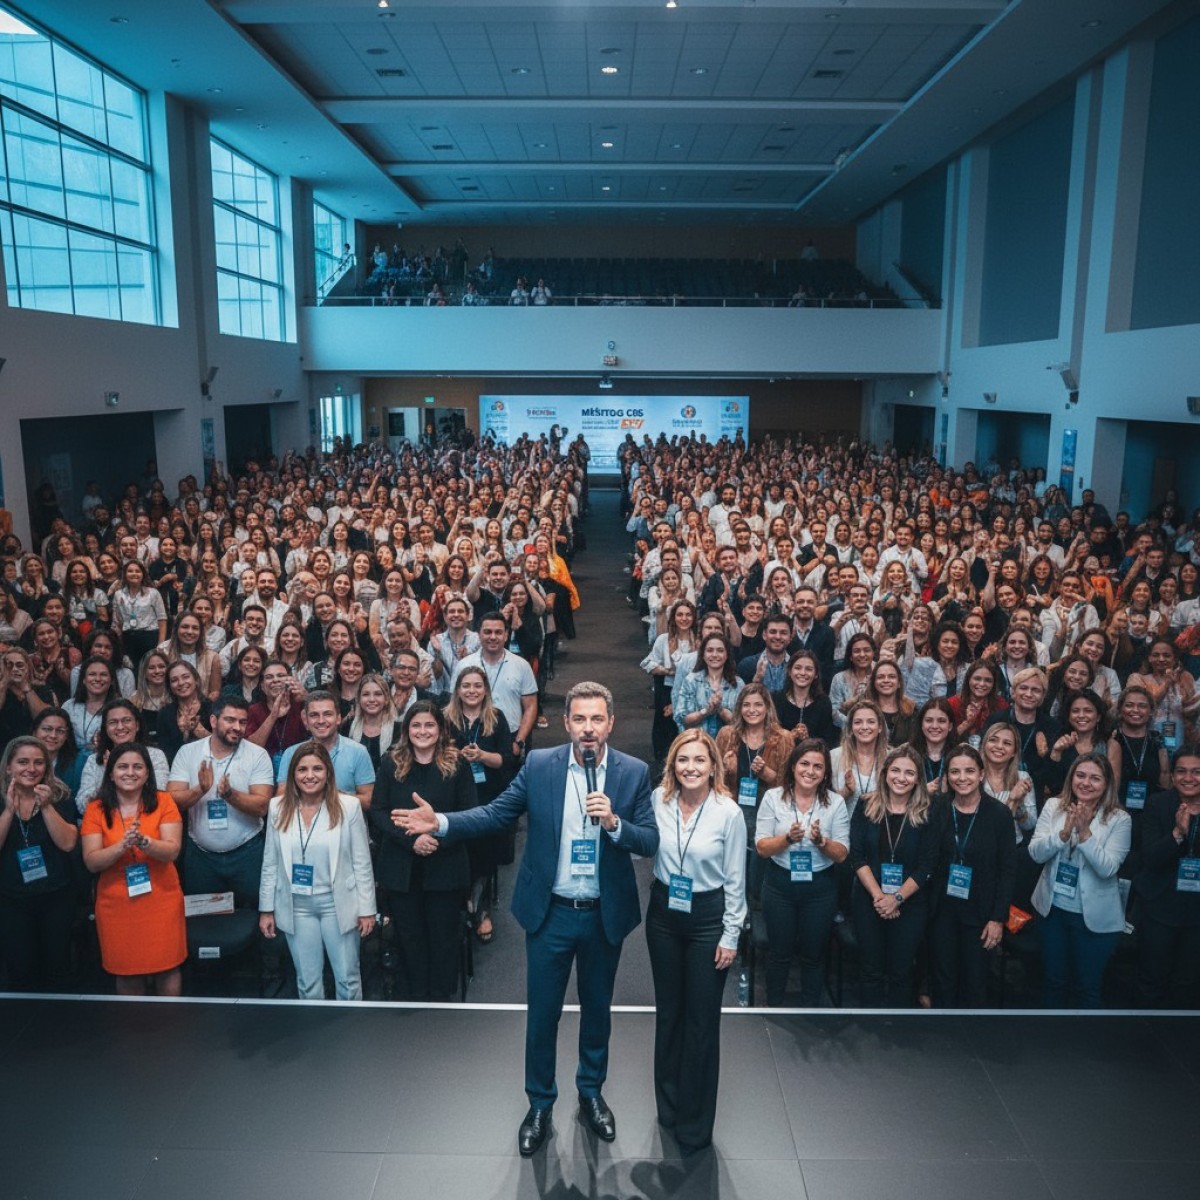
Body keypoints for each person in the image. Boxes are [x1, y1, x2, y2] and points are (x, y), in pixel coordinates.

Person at [393, 681, 658, 1157]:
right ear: (567, 724)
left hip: (603, 916)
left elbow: (649, 841)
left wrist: (615, 824)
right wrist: (445, 823)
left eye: (597, 719)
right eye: (580, 719)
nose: (589, 729)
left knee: (597, 1013)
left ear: (611, 724)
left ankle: (591, 1093)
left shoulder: (633, 772)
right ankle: (540, 1103)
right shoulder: (539, 766)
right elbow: (497, 814)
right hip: (551, 913)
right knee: (543, 1015)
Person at [646, 730, 746, 1153]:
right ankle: (668, 1108)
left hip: (708, 919)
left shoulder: (729, 813)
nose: (690, 767)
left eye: (699, 761)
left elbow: (737, 880)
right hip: (664, 914)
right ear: (673, 763)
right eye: (683, 760)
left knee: (702, 1022)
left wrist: (730, 933)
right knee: (669, 1015)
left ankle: (695, 1122)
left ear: (713, 767)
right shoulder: (657, 801)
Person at [369, 701, 478, 1000]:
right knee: (409, 938)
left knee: (442, 938)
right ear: (406, 730)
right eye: (416, 725)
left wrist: (436, 838)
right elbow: (378, 812)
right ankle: (414, 998)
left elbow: (470, 815)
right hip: (402, 868)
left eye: (429, 725)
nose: (423, 731)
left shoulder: (457, 765)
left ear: (441, 729)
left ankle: (441, 1001)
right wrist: (411, 839)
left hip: (445, 868)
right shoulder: (391, 763)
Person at [259, 741, 376, 1000]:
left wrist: (367, 909)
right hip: (296, 906)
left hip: (337, 905)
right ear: (293, 774)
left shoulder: (349, 806)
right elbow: (271, 861)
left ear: (328, 773)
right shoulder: (277, 807)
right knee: (307, 983)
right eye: (302, 770)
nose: (309, 776)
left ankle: (350, 1035)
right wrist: (266, 908)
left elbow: (362, 862)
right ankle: (316, 1036)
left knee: (347, 978)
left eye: (317, 769)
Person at [80, 743, 185, 995]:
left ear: (148, 773)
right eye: (122, 767)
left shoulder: (164, 801)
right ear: (111, 773)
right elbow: (91, 861)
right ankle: (131, 1031)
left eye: (138, 767)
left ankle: (172, 1030)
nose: (130, 772)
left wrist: (144, 842)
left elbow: (172, 850)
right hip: (116, 904)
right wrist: (121, 847)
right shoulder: (95, 808)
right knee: (126, 970)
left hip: (161, 899)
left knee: (167, 966)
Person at [1028, 753, 1131, 1007]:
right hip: (1052, 912)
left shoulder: (1120, 819)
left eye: (1095, 778)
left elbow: (1107, 868)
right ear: (1071, 777)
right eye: (1080, 775)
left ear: (1106, 784)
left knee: (1088, 987)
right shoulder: (1054, 806)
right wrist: (1063, 834)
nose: (1086, 783)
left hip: (1095, 920)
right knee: (1054, 981)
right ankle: (1052, 1043)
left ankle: (1088, 1044)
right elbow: (1036, 853)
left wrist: (1084, 833)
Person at [754, 738, 850, 1006]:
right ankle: (773, 1010)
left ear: (825, 773)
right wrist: (786, 839)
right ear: (793, 766)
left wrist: (822, 842)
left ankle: (811, 1011)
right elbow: (762, 847)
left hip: (820, 888)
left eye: (818, 766)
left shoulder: (835, 803)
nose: (810, 771)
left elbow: (842, 854)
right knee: (779, 952)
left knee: (814, 953)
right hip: (779, 884)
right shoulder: (774, 798)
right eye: (804, 764)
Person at [849, 745, 938, 1006]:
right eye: (896, 770)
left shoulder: (929, 811)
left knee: (901, 970)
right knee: (870, 968)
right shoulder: (867, 804)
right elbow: (857, 856)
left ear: (918, 779)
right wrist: (881, 897)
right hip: (869, 899)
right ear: (885, 772)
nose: (901, 777)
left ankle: (898, 1031)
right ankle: (869, 1031)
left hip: (911, 902)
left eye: (909, 773)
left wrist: (896, 898)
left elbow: (927, 865)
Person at [929, 745, 1016, 1008]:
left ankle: (971, 1039)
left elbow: (1007, 871)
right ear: (947, 777)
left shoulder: (999, 814)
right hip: (942, 910)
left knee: (975, 980)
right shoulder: (938, 808)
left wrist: (997, 918)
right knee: (943, 978)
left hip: (981, 912)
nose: (961, 778)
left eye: (969, 771)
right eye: (954, 772)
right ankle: (943, 1038)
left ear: (981, 774)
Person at [166, 696, 275, 907]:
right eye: (230, 720)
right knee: (205, 923)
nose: (237, 727)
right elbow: (171, 801)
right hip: (201, 857)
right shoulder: (188, 752)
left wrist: (229, 795)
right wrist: (201, 790)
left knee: (252, 917)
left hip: (247, 854)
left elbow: (262, 806)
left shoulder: (257, 755)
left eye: (242, 722)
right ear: (214, 721)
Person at [443, 665, 517, 944]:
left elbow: (506, 762)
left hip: (488, 795)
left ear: (485, 690)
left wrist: (482, 755)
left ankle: (481, 908)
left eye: (477, 686)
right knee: (459, 851)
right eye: (466, 686)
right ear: (457, 690)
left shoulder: (496, 718)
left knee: (485, 851)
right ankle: (463, 902)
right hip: (455, 795)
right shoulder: (446, 718)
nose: (471, 691)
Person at [0, 736, 79, 991]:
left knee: (58, 967)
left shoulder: (60, 795)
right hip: (12, 899)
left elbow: (67, 843)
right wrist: (9, 811)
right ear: (8, 767)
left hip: (56, 896)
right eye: (22, 762)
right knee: (20, 969)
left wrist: (45, 807)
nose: (31, 769)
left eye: (38, 762)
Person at [1134, 748, 1200, 1007]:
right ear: (1172, 777)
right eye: (1181, 771)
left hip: (1196, 913)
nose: (1189, 778)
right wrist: (1177, 834)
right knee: (1151, 979)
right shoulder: (1157, 804)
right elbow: (1149, 858)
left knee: (1187, 981)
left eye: (1196, 772)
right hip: (1159, 908)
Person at [276, 691, 375, 808]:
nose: (321, 721)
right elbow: (281, 798)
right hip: (303, 823)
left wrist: (327, 795)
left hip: (346, 823)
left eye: (328, 714)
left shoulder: (358, 752)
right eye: (314, 715)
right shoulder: (291, 753)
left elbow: (368, 801)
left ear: (338, 718)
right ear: (305, 720)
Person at [76, 699, 170, 814]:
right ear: (105, 728)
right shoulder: (94, 760)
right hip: (104, 823)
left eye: (126, 720)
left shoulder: (155, 755)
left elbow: (159, 796)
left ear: (137, 725)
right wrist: (107, 773)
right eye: (113, 722)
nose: (120, 727)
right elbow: (82, 806)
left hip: (145, 821)